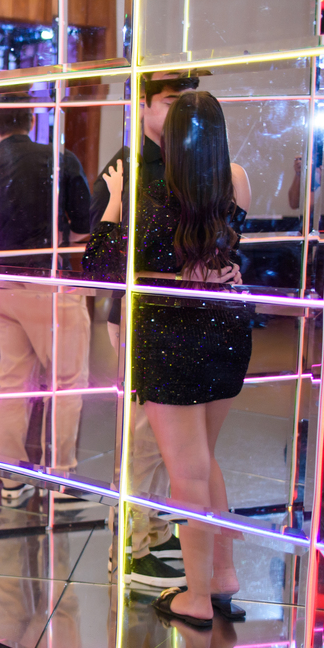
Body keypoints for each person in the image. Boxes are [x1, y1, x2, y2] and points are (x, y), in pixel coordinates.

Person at [85, 91, 252, 628]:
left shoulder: (149, 193)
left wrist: (115, 201)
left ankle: (197, 597)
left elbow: (101, 268)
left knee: (187, 472)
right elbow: (230, 251)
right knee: (204, 461)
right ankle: (222, 575)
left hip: (169, 335)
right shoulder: (236, 180)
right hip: (225, 330)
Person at [90, 72, 204, 590]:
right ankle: (130, 548)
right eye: (171, 101)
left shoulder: (190, 162)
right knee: (142, 437)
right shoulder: (127, 164)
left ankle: (153, 532)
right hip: (140, 316)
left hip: (185, 319)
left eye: (187, 102)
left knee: (164, 441)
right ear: (144, 106)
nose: (182, 112)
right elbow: (101, 249)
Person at [0, 101, 92, 508]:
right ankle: (61, 479)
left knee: (12, 385)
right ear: (32, 120)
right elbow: (82, 230)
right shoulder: (59, 159)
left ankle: (11, 480)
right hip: (46, 286)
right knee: (67, 383)